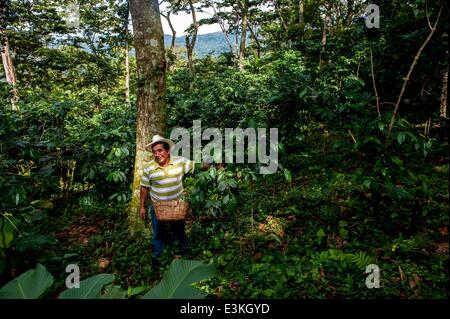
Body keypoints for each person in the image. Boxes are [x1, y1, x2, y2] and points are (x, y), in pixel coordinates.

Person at [139, 135, 208, 258]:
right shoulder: (149, 167)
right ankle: (158, 256)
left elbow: (197, 166)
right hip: (157, 206)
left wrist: (212, 163)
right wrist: (142, 207)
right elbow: (144, 187)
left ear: (168, 151)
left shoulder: (179, 162)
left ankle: (180, 254)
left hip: (176, 206)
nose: (157, 154)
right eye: (154, 152)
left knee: (179, 231)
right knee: (157, 233)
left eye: (160, 150)